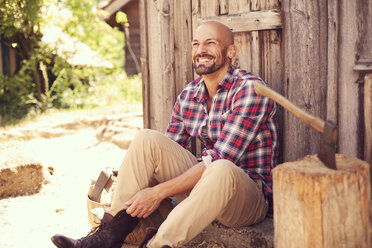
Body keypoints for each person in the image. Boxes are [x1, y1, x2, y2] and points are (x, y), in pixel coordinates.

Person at [51, 20, 279, 248]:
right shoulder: (189, 95)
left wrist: (156, 193)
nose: (201, 50)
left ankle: (157, 245)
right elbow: (159, 159)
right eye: (196, 44)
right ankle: (109, 235)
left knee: (220, 167)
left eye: (210, 43)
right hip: (203, 190)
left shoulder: (250, 89)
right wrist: (142, 195)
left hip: (247, 198)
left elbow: (221, 158)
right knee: (147, 139)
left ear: (230, 51)